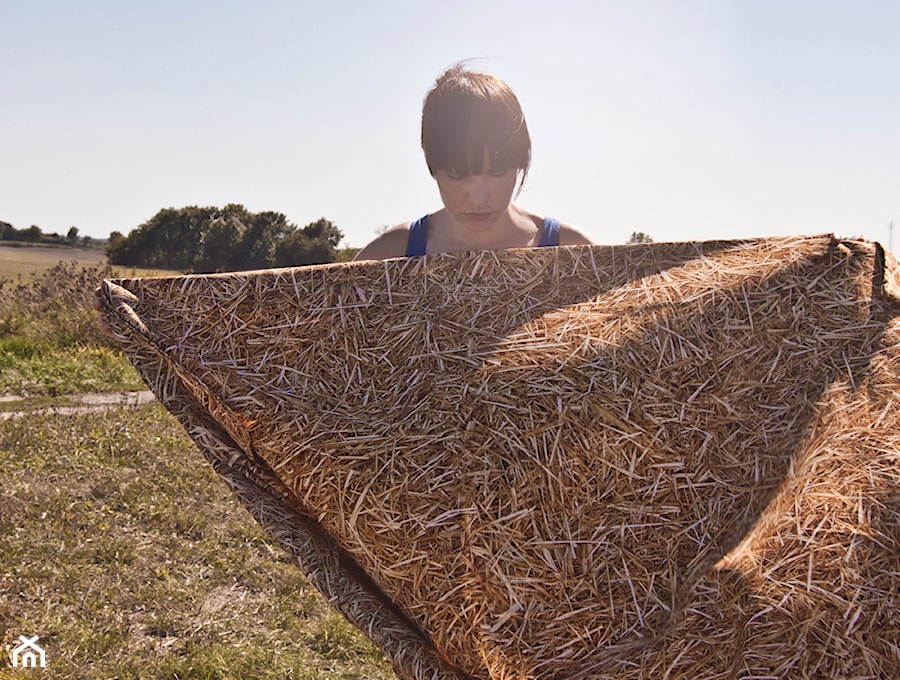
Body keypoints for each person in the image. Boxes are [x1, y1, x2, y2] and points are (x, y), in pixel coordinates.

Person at [354, 63, 593, 261]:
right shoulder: (389, 255)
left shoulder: (575, 253)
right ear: (433, 166)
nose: (478, 197)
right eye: (458, 175)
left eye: (497, 172)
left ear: (520, 162)